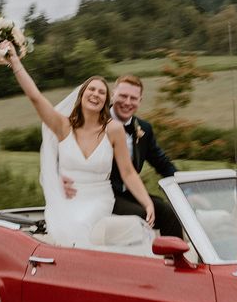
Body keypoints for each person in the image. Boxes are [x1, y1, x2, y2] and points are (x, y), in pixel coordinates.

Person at [1, 41, 155, 247]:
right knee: (63, 227)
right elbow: (35, 97)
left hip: (99, 198)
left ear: (105, 101)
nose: (96, 94)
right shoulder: (62, 126)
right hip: (67, 200)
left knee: (80, 225)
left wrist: (147, 202)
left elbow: (128, 173)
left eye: (101, 92)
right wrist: (14, 61)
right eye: (91, 89)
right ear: (81, 95)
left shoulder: (113, 130)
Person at [64, 74, 183, 238]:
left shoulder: (144, 129)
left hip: (129, 193)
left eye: (133, 98)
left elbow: (162, 163)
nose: (127, 102)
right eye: (123, 96)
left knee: (170, 212)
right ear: (113, 95)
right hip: (101, 194)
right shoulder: (95, 122)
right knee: (139, 216)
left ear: (140, 101)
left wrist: (185, 187)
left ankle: (175, 260)